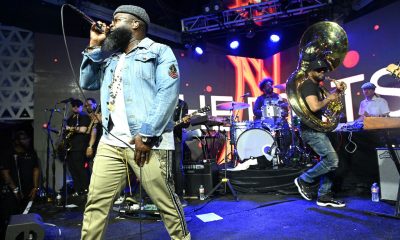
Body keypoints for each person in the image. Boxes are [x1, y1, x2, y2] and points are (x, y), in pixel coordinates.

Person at [79, 5, 190, 240]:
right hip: (111, 142)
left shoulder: (159, 51)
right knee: (95, 203)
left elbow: (167, 94)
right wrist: (94, 44)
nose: (110, 25)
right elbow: (87, 82)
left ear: (135, 24)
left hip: (148, 142)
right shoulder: (111, 58)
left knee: (166, 203)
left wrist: (147, 134)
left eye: (116, 20)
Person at [293, 60, 346, 208]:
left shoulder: (316, 86)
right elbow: (314, 106)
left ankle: (324, 196)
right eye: (318, 70)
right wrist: (329, 98)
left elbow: (328, 102)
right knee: (332, 161)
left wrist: (337, 92)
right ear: (310, 72)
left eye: (324, 70)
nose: (322, 72)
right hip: (311, 131)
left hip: (317, 129)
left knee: (328, 163)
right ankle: (304, 179)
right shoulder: (309, 85)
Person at [0, 130, 40, 238]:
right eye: (24, 139)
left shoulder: (31, 153)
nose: (27, 141)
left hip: (28, 190)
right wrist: (15, 190)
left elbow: (36, 169)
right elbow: (5, 173)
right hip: (12, 193)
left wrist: (35, 187)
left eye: (28, 138)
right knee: (12, 219)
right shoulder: (8, 153)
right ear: (17, 141)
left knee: (27, 219)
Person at [65, 99, 91, 196]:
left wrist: (70, 128)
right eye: (73, 105)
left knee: (80, 168)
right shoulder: (70, 117)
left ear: (81, 107)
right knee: (72, 169)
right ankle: (77, 189)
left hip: (80, 147)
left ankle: (85, 189)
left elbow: (83, 130)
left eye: (77, 105)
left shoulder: (84, 116)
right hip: (70, 147)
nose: (75, 107)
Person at [84, 97, 102, 170]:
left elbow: (94, 130)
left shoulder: (100, 113)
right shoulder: (87, 117)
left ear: (95, 104)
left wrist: (90, 146)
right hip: (92, 149)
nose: (88, 107)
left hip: (99, 146)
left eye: (89, 105)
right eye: (86, 106)